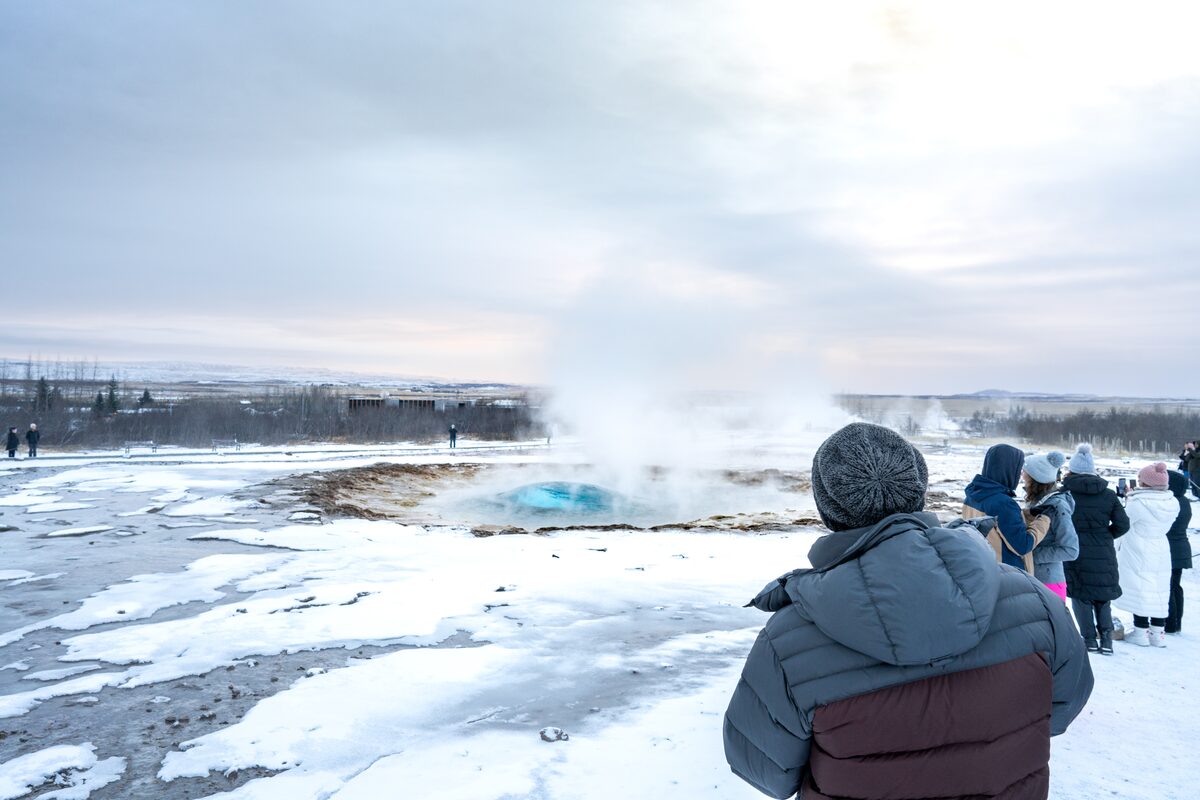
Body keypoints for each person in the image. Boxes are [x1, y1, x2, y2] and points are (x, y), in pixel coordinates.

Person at [723, 423, 1093, 800]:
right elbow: (1059, 711)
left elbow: (767, 771)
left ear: (828, 509)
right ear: (918, 490)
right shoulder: (1037, 604)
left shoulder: (787, 644)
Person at [1062, 443, 1129, 655]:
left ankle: (1089, 639)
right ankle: (1107, 640)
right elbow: (1123, 524)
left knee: (1081, 595)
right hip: (1103, 551)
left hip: (1075, 549)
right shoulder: (1108, 495)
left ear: (1071, 469)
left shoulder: (1065, 493)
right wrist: (1106, 535)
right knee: (1102, 597)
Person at [1115, 463, 1178, 647]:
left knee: (1140, 586)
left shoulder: (1139, 503)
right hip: (1160, 546)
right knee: (1159, 589)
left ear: (1146, 483)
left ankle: (1140, 631)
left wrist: (1129, 497)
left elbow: (1125, 522)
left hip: (1138, 547)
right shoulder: (1171, 503)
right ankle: (1157, 633)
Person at [962, 443, 1051, 572]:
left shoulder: (972, 496)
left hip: (983, 568)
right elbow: (1022, 546)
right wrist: (1044, 520)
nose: (1020, 474)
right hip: (1008, 575)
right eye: (1018, 468)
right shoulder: (1003, 503)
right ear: (1009, 469)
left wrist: (1025, 514)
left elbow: (995, 528)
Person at [1024, 451, 1079, 602]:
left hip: (1049, 583)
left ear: (1036, 478)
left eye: (1025, 474)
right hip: (1035, 578)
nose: (1022, 477)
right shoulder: (1037, 502)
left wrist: (1031, 555)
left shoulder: (1057, 506)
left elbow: (1070, 550)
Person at [1165, 469, 1192, 634]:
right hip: (1181, 549)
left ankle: (1171, 623)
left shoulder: (1172, 503)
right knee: (1175, 586)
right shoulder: (1184, 501)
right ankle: (1176, 622)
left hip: (1171, 549)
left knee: (1169, 586)